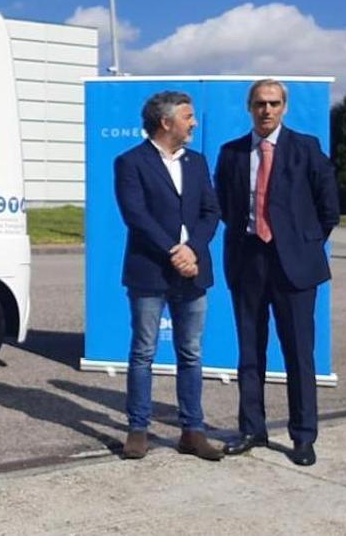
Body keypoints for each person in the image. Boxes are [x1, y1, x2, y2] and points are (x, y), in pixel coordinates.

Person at [215, 79, 339, 466]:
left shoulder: (306, 149)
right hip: (248, 260)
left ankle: (303, 436)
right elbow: (224, 205)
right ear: (248, 108)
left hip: (295, 267)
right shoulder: (232, 153)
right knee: (250, 351)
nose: (266, 110)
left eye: (273, 103)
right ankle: (252, 428)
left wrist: (303, 243)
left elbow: (328, 208)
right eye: (259, 104)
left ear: (284, 107)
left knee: (299, 353)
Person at [113, 91, 223, 461]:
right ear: (166, 122)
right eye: (188, 116)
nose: (193, 123)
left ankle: (192, 431)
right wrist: (173, 252)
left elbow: (211, 212)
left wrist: (192, 249)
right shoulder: (130, 162)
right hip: (150, 271)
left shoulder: (197, 162)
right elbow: (136, 215)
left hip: (193, 271)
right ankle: (138, 429)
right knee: (143, 351)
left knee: (190, 353)